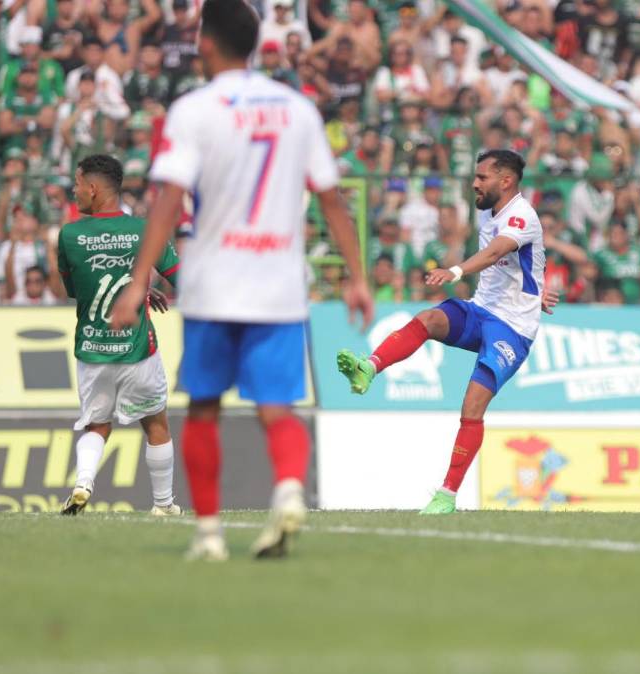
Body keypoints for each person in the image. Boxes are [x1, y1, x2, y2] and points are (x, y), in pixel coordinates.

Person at [109, 0, 373, 561]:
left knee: (203, 406)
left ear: (205, 44)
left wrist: (137, 282)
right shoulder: (296, 108)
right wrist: (356, 277)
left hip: (212, 283)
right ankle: (288, 487)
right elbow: (332, 198)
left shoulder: (193, 110)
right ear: (256, 44)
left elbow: (167, 201)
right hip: (278, 284)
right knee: (277, 407)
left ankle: (208, 534)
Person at [335, 150, 557, 515]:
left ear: (506, 181)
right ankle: (369, 367)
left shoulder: (523, 215)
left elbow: (496, 252)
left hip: (514, 328)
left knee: (472, 405)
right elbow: (518, 262)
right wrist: (535, 287)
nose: (474, 183)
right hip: (483, 308)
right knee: (429, 319)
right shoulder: (489, 211)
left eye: (482, 177)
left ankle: (447, 495)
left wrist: (454, 272)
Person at [55, 155, 181, 518]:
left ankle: (83, 484)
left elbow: (78, 289)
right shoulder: (146, 230)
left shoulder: (69, 234)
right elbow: (180, 278)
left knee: (97, 424)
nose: (74, 191)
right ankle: (163, 505)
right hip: (137, 350)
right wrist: (139, 288)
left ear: (93, 189)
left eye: (77, 184)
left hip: (92, 350)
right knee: (155, 422)